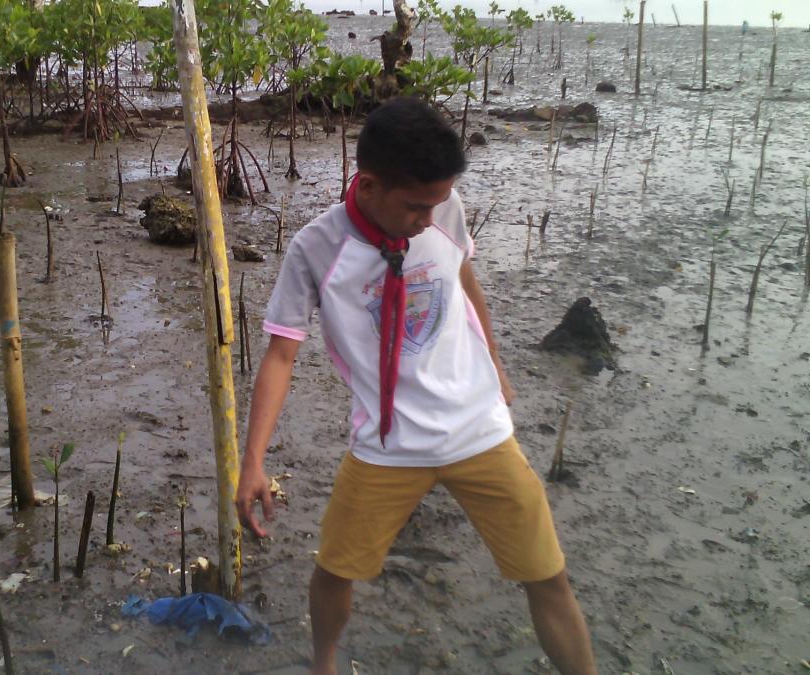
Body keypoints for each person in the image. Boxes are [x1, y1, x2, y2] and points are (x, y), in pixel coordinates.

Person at [234, 97, 597, 675]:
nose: (429, 218)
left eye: (439, 201)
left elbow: (464, 278)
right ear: (370, 184)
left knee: (548, 575)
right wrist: (252, 461)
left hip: (480, 432)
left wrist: (496, 362)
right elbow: (280, 355)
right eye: (415, 207)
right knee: (333, 572)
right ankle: (324, 664)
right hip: (386, 446)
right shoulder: (315, 248)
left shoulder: (444, 207)